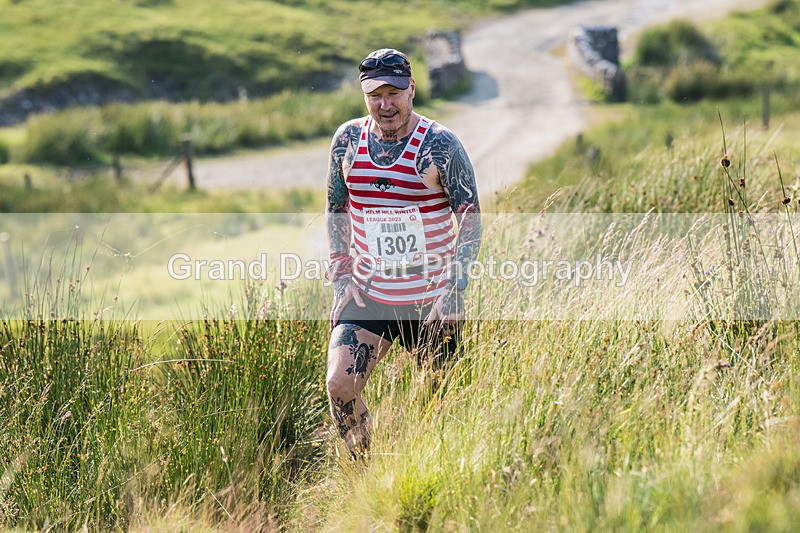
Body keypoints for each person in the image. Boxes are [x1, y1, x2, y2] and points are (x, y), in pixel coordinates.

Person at [324, 48, 482, 456]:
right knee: (339, 387)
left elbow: (470, 219)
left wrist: (454, 290)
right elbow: (336, 209)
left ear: (412, 89)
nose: (385, 104)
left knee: (441, 410)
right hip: (370, 295)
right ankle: (365, 478)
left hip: (429, 300)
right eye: (375, 94)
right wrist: (341, 279)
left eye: (394, 92)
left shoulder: (441, 145)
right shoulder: (347, 140)